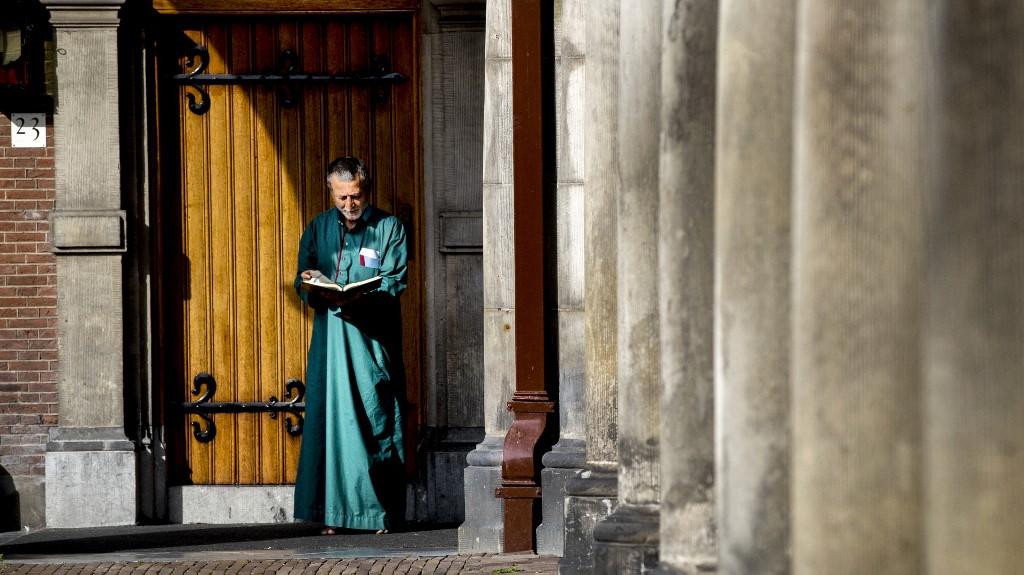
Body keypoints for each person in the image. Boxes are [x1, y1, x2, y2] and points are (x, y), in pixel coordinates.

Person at [293, 156, 407, 535]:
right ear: (331, 193)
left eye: (355, 197)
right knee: (331, 423)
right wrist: (310, 280)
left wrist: (363, 296)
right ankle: (332, 515)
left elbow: (394, 280)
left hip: (369, 343)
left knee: (374, 418)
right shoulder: (318, 227)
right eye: (341, 198)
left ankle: (378, 514)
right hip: (330, 343)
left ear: (366, 190)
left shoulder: (388, 227)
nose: (348, 205)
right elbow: (302, 276)